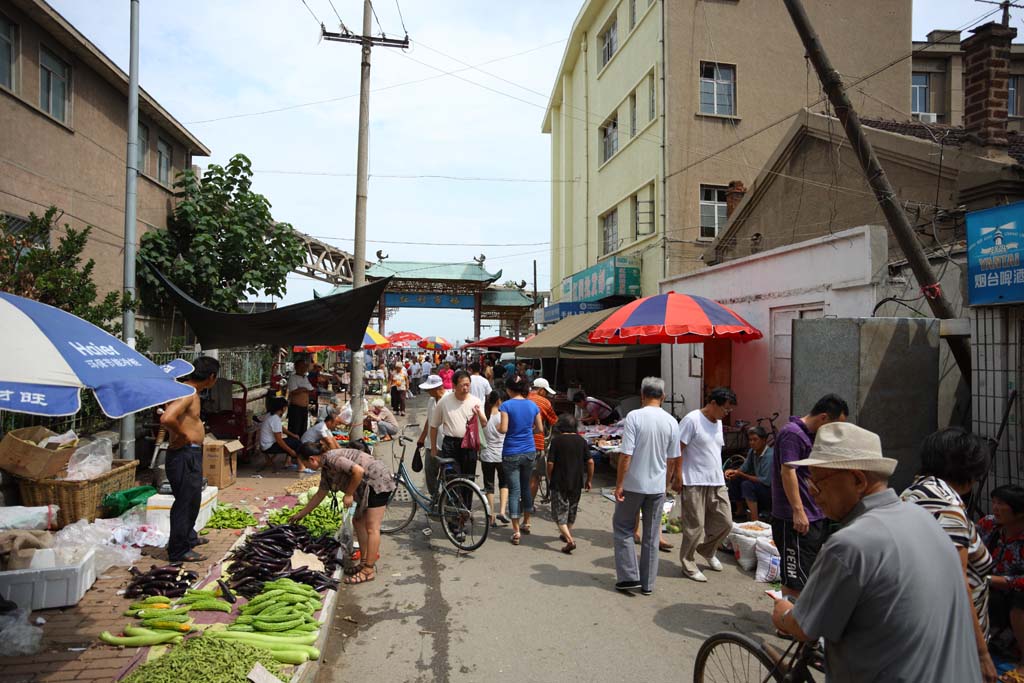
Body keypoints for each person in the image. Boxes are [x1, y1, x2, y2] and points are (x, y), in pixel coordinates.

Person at [771, 422, 982, 683]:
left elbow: (804, 626)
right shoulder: (926, 519)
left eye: (817, 482)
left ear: (858, 480)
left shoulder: (849, 543)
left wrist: (783, 613)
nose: (813, 495)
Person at [901, 428, 996, 682]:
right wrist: (982, 653)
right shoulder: (947, 505)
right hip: (950, 636)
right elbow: (957, 584)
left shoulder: (914, 492)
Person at [771, 393, 848, 598]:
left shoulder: (813, 437)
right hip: (794, 518)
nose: (836, 432)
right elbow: (788, 471)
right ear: (823, 417)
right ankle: (788, 624)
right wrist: (798, 510)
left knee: (808, 571)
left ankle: (798, 619)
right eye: (835, 425)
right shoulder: (793, 434)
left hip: (815, 514)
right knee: (794, 576)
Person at [291, 441, 395, 586]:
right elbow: (320, 494)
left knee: (372, 527)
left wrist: (349, 494)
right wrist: (301, 514)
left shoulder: (332, 458)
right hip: (367, 485)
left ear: (312, 459)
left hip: (377, 480)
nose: (306, 467)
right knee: (358, 521)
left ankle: (368, 571)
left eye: (305, 464)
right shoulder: (326, 469)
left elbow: (358, 471)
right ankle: (364, 561)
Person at [613, 377, 679, 594]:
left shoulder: (634, 417)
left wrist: (619, 483)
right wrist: (667, 484)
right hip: (657, 488)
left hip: (633, 484)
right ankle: (648, 584)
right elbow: (672, 459)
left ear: (642, 395)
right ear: (664, 397)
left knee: (623, 528)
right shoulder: (671, 421)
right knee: (651, 535)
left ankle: (629, 577)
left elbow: (626, 454)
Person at [671, 387, 735, 582]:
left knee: (726, 522)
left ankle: (707, 551)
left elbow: (714, 450)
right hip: (694, 480)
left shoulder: (718, 422)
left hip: (716, 480)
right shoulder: (692, 420)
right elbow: (678, 449)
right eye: (725, 409)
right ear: (713, 403)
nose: (727, 413)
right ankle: (688, 564)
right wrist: (678, 476)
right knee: (695, 526)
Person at [159, 356, 220, 563]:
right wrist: (183, 436)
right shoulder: (189, 393)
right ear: (211, 377)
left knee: (193, 499)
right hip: (184, 455)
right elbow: (167, 418)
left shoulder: (187, 391)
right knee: (185, 502)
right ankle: (178, 550)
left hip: (190, 454)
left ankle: (189, 537)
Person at [979, 484, 1024, 678]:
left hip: (1015, 591)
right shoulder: (989, 525)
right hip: (991, 586)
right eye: (994, 502)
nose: (995, 508)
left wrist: (991, 579)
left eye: (1002, 504)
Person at [430, 371, 484, 512]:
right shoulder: (444, 401)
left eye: (468, 385)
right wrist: (434, 448)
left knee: (468, 482)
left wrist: (479, 414)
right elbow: (434, 426)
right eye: (462, 385)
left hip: (469, 446)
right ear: (454, 385)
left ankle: (465, 514)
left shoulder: (476, 401)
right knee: (452, 481)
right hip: (450, 445)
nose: (465, 388)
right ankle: (453, 519)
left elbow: (484, 423)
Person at [498, 377, 543, 546]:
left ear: (509, 390)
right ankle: (527, 522)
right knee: (526, 487)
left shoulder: (506, 406)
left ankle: (516, 531)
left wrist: (497, 427)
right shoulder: (532, 405)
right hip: (529, 451)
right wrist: (527, 430)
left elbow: (503, 429)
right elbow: (540, 429)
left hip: (511, 452)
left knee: (514, 490)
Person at [547, 414, 592, 554]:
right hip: (577, 482)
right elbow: (590, 462)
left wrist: (550, 476)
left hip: (559, 482)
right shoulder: (581, 441)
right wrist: (589, 480)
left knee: (558, 513)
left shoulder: (556, 441)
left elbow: (550, 463)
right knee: (572, 509)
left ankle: (570, 540)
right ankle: (566, 533)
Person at [725, 426, 774, 521]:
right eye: (750, 440)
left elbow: (766, 481)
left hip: (770, 491)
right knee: (734, 478)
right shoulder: (753, 452)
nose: (752, 443)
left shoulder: (770, 455)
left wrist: (742, 474)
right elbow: (744, 467)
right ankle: (740, 510)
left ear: (764, 440)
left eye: (755, 440)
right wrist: (734, 471)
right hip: (760, 485)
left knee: (747, 484)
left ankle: (754, 518)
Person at [480, 390, 510, 527]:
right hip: (502, 454)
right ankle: (502, 511)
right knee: (504, 483)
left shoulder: (483, 415)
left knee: (489, 485)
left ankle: (491, 515)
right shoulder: (503, 415)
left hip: (486, 455)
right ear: (499, 401)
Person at [416, 375, 448, 498]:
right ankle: (435, 497)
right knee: (430, 473)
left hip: (445, 444)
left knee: (446, 476)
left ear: (437, 388)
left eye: (429, 389)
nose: (427, 392)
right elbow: (429, 419)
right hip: (431, 444)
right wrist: (422, 437)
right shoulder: (431, 401)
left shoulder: (448, 400)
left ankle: (446, 500)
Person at [528, 378, 559, 501]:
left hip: (515, 443)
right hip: (535, 442)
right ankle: (528, 507)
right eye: (546, 392)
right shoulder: (544, 402)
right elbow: (554, 421)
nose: (547, 395)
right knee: (534, 477)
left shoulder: (520, 398)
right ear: (541, 390)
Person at [260, 397, 303, 470]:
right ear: (283, 408)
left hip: (265, 444)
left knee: (293, 440)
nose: (286, 409)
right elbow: (279, 440)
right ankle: (301, 467)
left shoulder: (271, 415)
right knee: (297, 443)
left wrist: (293, 435)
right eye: (286, 407)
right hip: (269, 446)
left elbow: (281, 428)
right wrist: (290, 451)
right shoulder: (275, 419)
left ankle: (288, 462)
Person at [286, 358, 314, 437]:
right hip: (296, 408)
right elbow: (293, 391)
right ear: (296, 367)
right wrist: (303, 389)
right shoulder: (293, 377)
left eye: (304, 366)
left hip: (304, 408)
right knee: (294, 430)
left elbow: (311, 390)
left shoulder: (305, 377)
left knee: (303, 429)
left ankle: (300, 446)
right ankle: (292, 447)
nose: (303, 368)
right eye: (300, 367)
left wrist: (303, 389)